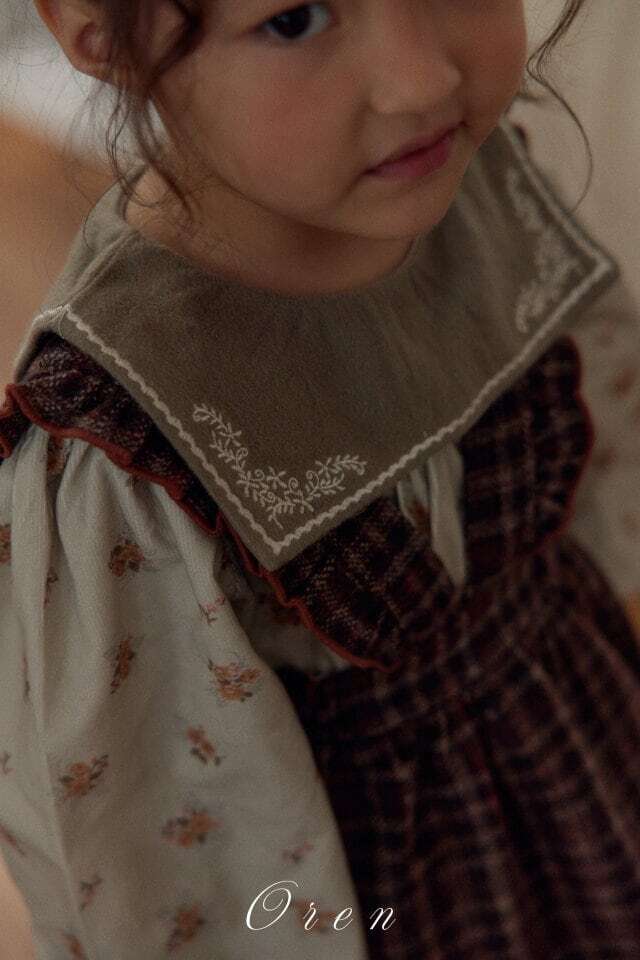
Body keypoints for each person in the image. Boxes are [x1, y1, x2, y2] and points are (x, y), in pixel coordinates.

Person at [0, 2, 639, 958]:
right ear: (98, 26)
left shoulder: (471, 183)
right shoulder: (125, 441)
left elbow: (610, 477)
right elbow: (181, 869)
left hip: (587, 744)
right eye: (295, 19)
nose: (423, 81)